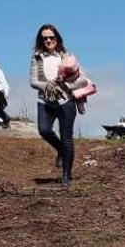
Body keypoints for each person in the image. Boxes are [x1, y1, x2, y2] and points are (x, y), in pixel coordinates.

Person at [29, 24, 78, 185]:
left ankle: (66, 176)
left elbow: (76, 76)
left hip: (66, 101)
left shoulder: (66, 55)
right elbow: (33, 81)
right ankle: (60, 150)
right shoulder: (36, 57)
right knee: (43, 130)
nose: (48, 40)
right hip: (45, 101)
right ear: (40, 40)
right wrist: (47, 85)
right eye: (45, 38)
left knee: (67, 139)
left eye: (51, 37)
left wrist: (64, 80)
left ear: (57, 38)